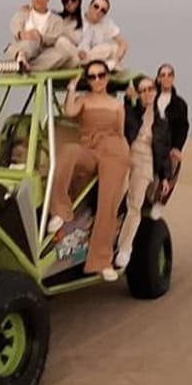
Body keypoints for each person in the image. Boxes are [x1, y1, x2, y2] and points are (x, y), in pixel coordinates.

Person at [48, 60, 130, 281]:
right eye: (92, 77)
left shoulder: (116, 105)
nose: (97, 80)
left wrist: (125, 161)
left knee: (108, 204)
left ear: (107, 76)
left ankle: (102, 261)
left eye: (101, 75)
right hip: (90, 148)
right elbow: (69, 111)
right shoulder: (84, 101)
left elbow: (120, 133)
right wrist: (72, 88)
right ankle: (60, 209)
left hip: (114, 152)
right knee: (68, 152)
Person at [114, 76, 173, 271]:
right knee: (113, 198)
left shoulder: (162, 120)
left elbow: (163, 151)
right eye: (143, 90)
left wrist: (165, 177)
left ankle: (124, 247)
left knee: (135, 203)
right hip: (124, 155)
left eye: (150, 89)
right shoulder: (132, 112)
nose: (147, 93)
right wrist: (127, 99)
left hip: (146, 160)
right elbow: (124, 124)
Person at [3, 0, 74, 71]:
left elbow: (55, 37)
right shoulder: (23, 13)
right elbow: (15, 27)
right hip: (21, 48)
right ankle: (21, 57)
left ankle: (25, 66)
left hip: (42, 54)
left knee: (63, 54)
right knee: (30, 43)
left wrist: (40, 37)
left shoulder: (56, 20)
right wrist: (23, 34)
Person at [150, 63, 189, 219]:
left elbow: (183, 126)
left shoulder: (179, 104)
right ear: (158, 78)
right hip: (151, 141)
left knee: (173, 164)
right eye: (163, 75)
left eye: (169, 74)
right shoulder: (151, 98)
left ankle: (160, 203)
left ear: (173, 78)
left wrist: (177, 147)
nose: (166, 78)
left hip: (169, 144)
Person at [75, 0, 128, 70]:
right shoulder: (77, 17)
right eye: (96, 6)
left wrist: (116, 60)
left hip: (94, 55)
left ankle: (110, 67)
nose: (98, 11)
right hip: (75, 55)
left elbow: (123, 44)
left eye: (103, 10)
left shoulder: (106, 23)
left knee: (114, 48)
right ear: (90, 6)